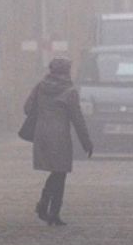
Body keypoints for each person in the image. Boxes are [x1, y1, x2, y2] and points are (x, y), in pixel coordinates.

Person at [24, 57, 93, 226]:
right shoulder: (70, 91)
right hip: (59, 136)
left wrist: (42, 115)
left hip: (41, 133)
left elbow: (27, 108)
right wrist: (86, 142)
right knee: (60, 172)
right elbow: (77, 119)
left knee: (57, 172)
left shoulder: (40, 87)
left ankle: (47, 207)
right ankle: (50, 209)